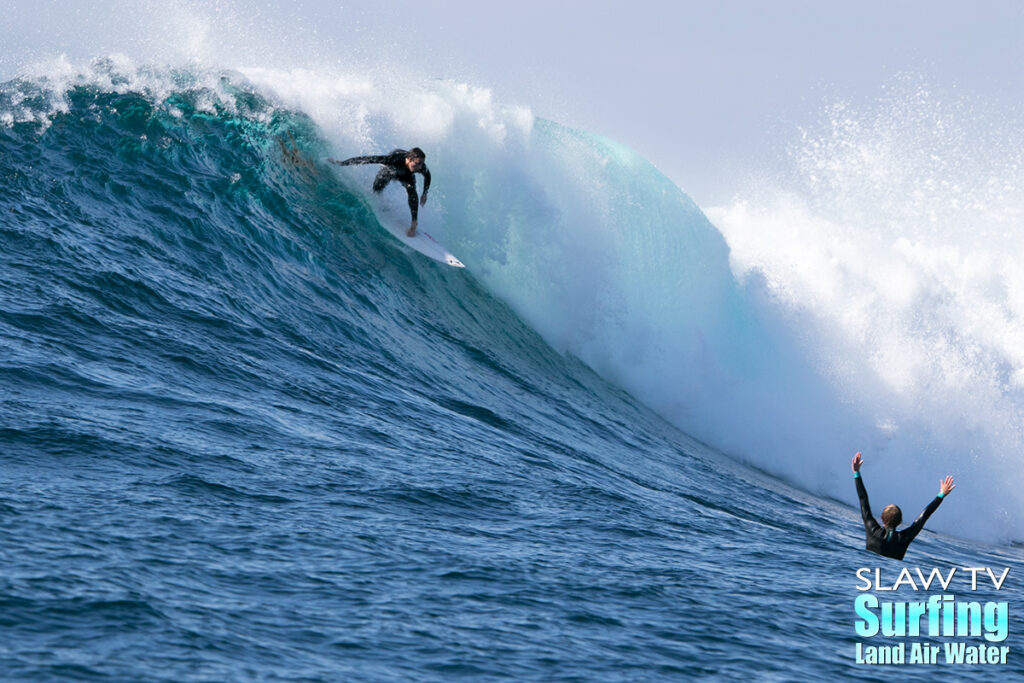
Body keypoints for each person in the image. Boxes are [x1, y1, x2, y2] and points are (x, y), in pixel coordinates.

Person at [851, 452, 955, 560]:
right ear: (900, 521)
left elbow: (863, 500)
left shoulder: (873, 531)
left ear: (882, 518)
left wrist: (856, 473)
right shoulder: (904, 538)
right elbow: (924, 516)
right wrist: (941, 494)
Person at [328, 148, 431, 236]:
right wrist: (340, 163)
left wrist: (425, 193)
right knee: (376, 190)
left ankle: (414, 223)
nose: (420, 167)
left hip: (406, 175)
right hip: (390, 171)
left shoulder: (420, 167)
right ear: (409, 159)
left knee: (412, 191)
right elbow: (367, 159)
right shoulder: (393, 160)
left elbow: (428, 176)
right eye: (418, 164)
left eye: (421, 164)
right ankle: (380, 204)